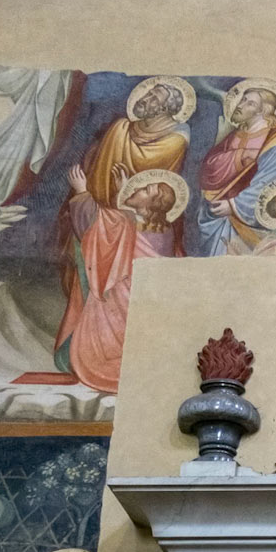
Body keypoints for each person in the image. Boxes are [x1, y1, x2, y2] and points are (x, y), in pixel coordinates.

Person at [54, 168, 186, 396]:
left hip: (117, 313)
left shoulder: (125, 224)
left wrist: (82, 191)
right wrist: (125, 191)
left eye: (145, 189)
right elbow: (123, 228)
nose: (137, 187)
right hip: (140, 311)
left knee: (106, 355)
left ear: (150, 205)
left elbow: (99, 226)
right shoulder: (164, 229)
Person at [198, 83, 276, 256]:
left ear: (264, 110)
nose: (240, 105)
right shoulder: (234, 135)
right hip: (216, 212)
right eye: (242, 100)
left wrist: (233, 205)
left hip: (245, 219)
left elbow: (271, 183)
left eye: (249, 103)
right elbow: (209, 170)